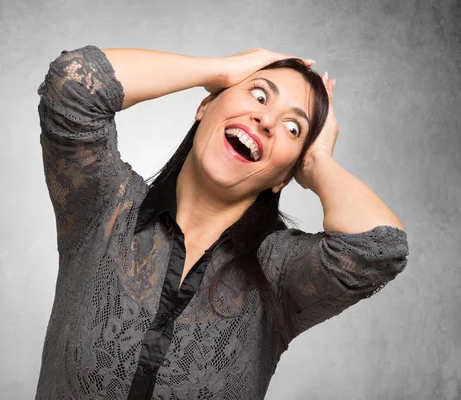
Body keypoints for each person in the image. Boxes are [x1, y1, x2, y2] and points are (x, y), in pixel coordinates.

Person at [34, 44, 408, 399]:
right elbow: (73, 83)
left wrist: (316, 161)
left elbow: (380, 247)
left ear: (284, 177)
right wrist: (219, 69)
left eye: (293, 129)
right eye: (259, 96)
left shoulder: (280, 273)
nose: (265, 120)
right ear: (206, 106)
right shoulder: (104, 207)